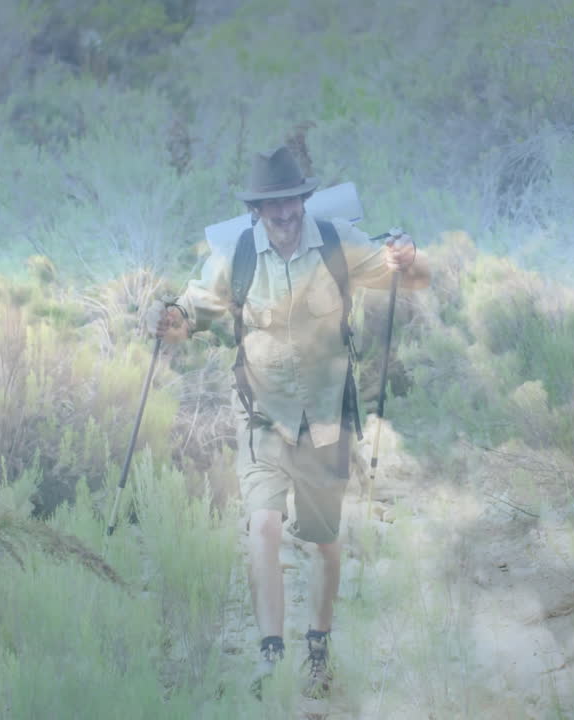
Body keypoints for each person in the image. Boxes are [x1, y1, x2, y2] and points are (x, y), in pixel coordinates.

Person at [148, 145, 430, 699]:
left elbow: (412, 279)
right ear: (256, 209)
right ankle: (270, 654)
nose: (283, 214)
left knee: (322, 541)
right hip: (262, 414)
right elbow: (191, 316)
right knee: (263, 525)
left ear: (303, 199)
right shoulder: (236, 255)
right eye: (272, 206)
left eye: (291, 202)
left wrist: (408, 258)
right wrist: (168, 321)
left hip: (326, 416)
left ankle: (317, 647)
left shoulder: (336, 243)